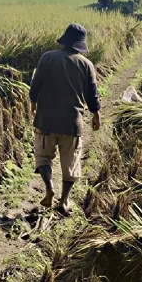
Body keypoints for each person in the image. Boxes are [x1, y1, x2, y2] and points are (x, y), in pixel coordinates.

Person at [29, 23, 101, 214]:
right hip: (72, 122)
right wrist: (96, 114)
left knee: (43, 157)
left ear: (64, 40)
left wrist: (33, 102)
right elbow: (92, 94)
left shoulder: (47, 58)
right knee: (70, 162)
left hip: (45, 120)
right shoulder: (86, 65)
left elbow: (35, 85)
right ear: (81, 44)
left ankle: (49, 188)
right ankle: (64, 201)